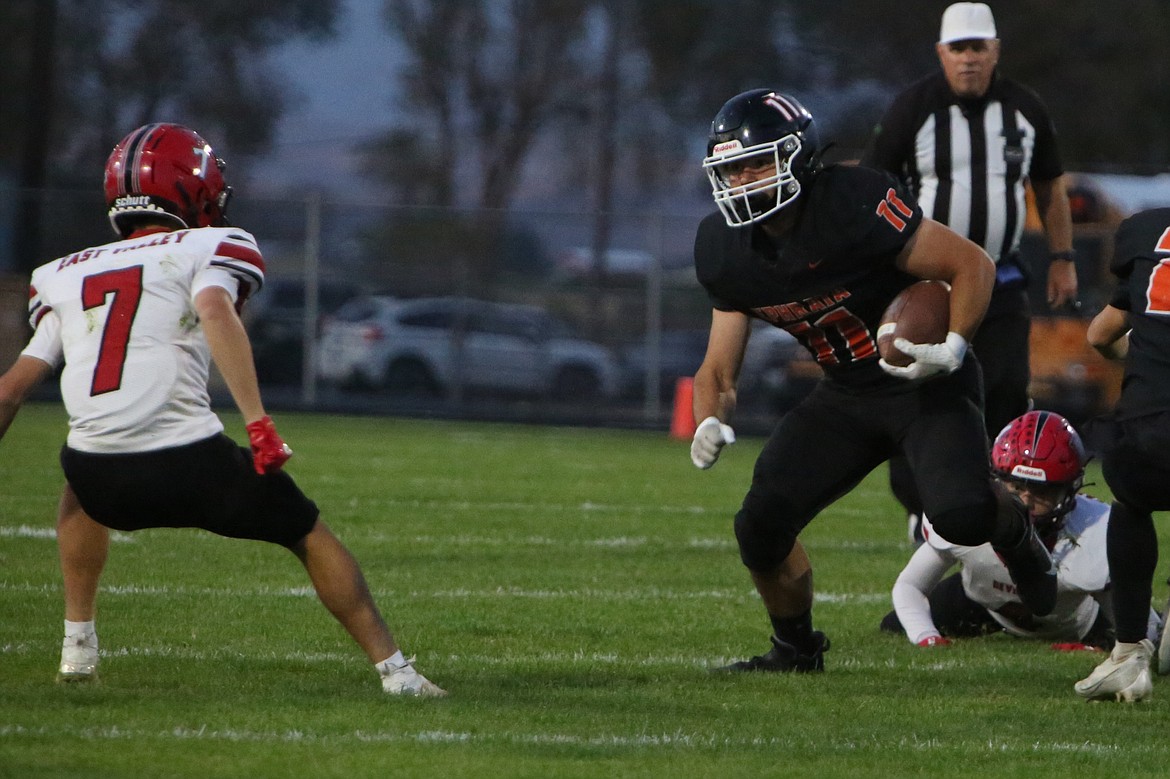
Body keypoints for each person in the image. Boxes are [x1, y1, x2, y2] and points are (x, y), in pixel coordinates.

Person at [0, 123, 444, 697]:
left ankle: (78, 650)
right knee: (306, 531)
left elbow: (12, 388)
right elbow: (214, 309)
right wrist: (259, 425)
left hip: (102, 474)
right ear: (192, 187)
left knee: (78, 482)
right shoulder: (208, 245)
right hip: (191, 463)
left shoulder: (60, 274)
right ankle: (398, 673)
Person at [690, 88, 1058, 673]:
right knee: (759, 525)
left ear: (799, 157)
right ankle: (795, 649)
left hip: (924, 384)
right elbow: (717, 367)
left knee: (961, 514)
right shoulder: (724, 249)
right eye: (732, 168)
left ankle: (1018, 538)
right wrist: (709, 417)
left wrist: (954, 345)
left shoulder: (853, 202)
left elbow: (972, 265)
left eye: (757, 162)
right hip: (845, 394)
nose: (743, 180)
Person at [863, 2, 1077, 543]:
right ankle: (921, 506)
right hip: (928, 283)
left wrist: (1063, 258)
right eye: (958, 48)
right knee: (919, 390)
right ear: (941, 53)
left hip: (1001, 276)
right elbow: (874, 188)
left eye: (978, 47)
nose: (968, 59)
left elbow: (1051, 189)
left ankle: (1005, 507)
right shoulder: (913, 108)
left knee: (1004, 390)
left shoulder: (1025, 109)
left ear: (995, 51)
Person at [880, 410, 1161, 649]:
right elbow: (910, 587)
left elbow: (1142, 627)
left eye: (1041, 491)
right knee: (892, 626)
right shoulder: (976, 514)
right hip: (985, 607)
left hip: (1076, 622)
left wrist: (1100, 645)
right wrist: (926, 638)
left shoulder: (1094, 530)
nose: (1025, 502)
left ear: (1070, 488)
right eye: (1016, 487)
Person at [1074, 207, 1170, 702]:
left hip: (1148, 430)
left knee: (1133, 503)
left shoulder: (1145, 230)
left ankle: (1130, 652)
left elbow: (1098, 336)